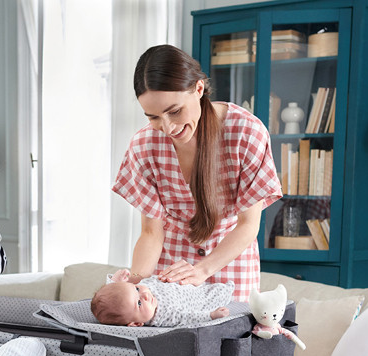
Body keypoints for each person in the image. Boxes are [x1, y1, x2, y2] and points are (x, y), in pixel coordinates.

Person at [112, 44, 282, 302]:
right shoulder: (143, 145)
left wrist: (202, 270)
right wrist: (132, 287)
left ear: (199, 89)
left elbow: (248, 225)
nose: (167, 127)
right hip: (171, 276)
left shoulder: (247, 133)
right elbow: (151, 233)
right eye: (153, 117)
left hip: (231, 270)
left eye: (174, 111)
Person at [90, 268, 232, 327]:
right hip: (199, 299)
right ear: (136, 323)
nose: (145, 295)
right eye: (139, 303)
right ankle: (227, 290)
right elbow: (187, 318)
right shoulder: (163, 315)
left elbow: (115, 296)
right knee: (220, 293)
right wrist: (211, 315)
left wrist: (115, 282)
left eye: (137, 288)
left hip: (186, 281)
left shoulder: (143, 290)